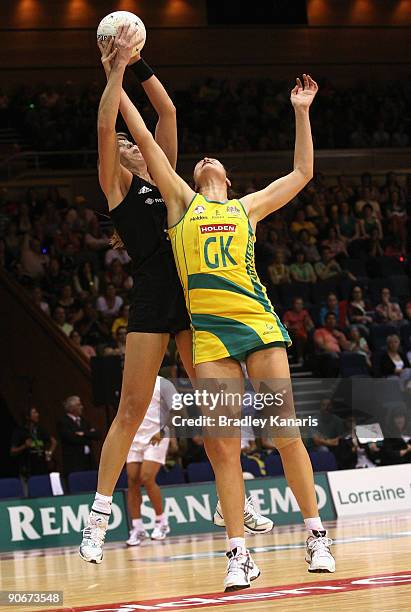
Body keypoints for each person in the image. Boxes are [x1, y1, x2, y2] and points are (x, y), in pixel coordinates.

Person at [106, 29, 334, 588]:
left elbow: (303, 173)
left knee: (285, 435)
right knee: (223, 449)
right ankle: (238, 552)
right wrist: (120, 70)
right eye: (201, 158)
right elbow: (144, 135)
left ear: (228, 180)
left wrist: (301, 113)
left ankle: (315, 535)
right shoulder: (180, 203)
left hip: (258, 326)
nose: (205, 158)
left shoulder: (248, 208)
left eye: (216, 160)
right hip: (209, 339)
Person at [126, 376, 178, 546]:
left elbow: (177, 410)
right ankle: (137, 528)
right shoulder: (131, 381)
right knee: (132, 480)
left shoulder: (164, 383)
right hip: (134, 436)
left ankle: (161, 522)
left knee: (147, 478)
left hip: (157, 434)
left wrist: (164, 432)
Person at [58, 396, 100, 477]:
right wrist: (88, 435)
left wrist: (83, 434)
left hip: (89, 460)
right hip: (74, 461)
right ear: (72, 408)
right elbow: (70, 438)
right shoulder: (63, 422)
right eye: (79, 405)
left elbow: (97, 434)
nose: (82, 407)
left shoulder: (84, 421)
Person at [10, 407, 57, 477]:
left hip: (42, 467)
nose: (37, 415)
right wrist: (24, 446)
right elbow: (12, 451)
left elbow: (53, 441)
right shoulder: (19, 431)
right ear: (27, 417)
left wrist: (49, 454)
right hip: (28, 469)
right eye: (34, 413)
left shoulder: (40, 429)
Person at [283, 297, 314, 364]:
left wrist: (307, 324)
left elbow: (311, 326)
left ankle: (310, 357)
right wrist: (292, 328)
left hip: (304, 333)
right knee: (298, 337)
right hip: (293, 334)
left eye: (301, 304)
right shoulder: (288, 314)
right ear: (293, 305)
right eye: (297, 303)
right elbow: (285, 326)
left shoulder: (305, 313)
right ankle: (300, 357)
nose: (299, 305)